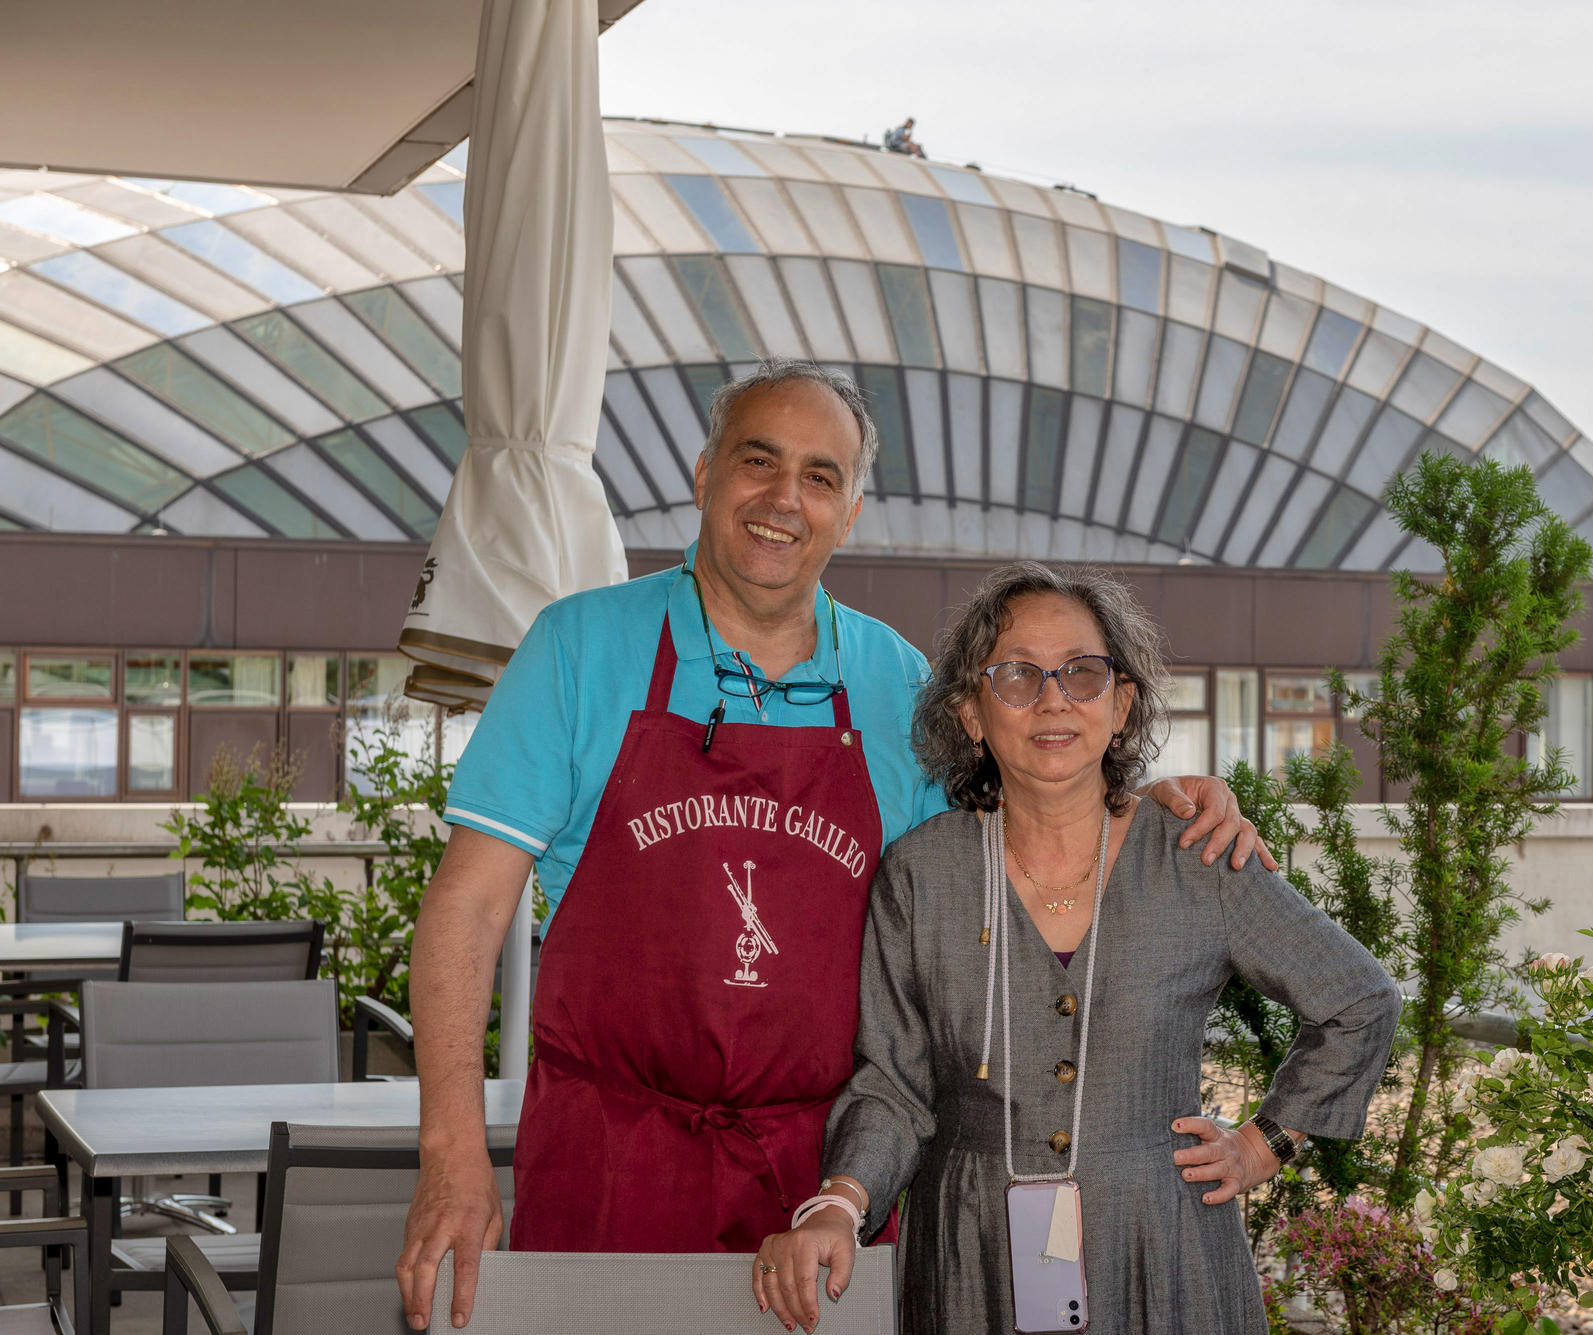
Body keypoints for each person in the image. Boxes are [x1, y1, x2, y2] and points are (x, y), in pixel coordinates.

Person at [396, 362, 1272, 1330]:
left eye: (820, 477)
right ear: (704, 475)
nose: (784, 498)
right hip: (609, 1158)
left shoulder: (898, 682)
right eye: (757, 461)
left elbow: (1015, 855)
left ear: (849, 512)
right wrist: (452, 1153)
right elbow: (469, 906)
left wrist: (1139, 810)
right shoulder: (577, 648)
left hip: (829, 1182)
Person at [753, 561, 1403, 1334]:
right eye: (1018, 674)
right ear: (970, 713)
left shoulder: (1197, 855)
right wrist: (838, 1202)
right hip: (973, 1257)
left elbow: (1361, 999)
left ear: (1121, 703)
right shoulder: (921, 874)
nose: (1053, 698)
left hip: (1162, 1247)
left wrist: (1263, 1145)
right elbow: (893, 1085)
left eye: (1082, 672)